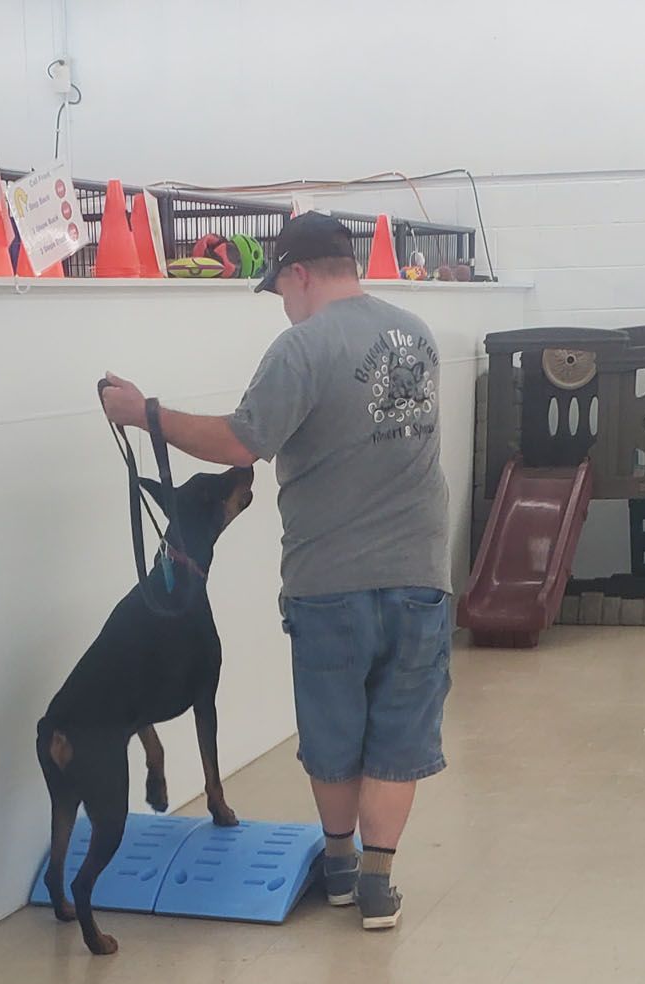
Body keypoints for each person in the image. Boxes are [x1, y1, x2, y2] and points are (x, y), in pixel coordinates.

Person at [98, 212, 450, 931]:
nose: (283, 304)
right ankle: (380, 888)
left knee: (332, 731)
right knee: (398, 733)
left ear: (299, 273)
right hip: (421, 571)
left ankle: (342, 869)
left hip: (330, 579)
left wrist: (145, 414)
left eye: (280, 289)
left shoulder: (302, 346)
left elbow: (239, 443)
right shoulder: (417, 334)